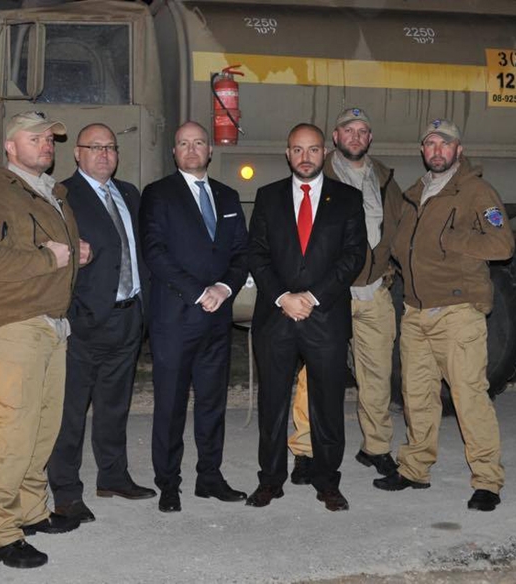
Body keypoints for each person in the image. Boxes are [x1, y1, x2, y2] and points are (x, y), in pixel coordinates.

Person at [0, 111, 92, 568]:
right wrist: (46, 256)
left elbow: (57, 253)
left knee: (42, 429)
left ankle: (31, 511)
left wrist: (77, 253)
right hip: (18, 325)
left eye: (50, 139)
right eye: (35, 138)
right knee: (13, 433)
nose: (46, 145)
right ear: (10, 146)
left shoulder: (50, 193)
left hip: (52, 324)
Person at [374, 119, 514, 513]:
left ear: (458, 150)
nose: (437, 150)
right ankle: (414, 469)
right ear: (423, 151)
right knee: (416, 397)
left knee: (469, 396)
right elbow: (403, 247)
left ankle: (487, 480)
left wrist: (448, 239)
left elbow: (502, 244)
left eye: (445, 144)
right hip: (416, 312)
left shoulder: (475, 190)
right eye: (430, 144)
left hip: (457, 311)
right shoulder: (415, 194)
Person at [246, 123, 366, 512]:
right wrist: (283, 297)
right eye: (297, 150)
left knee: (328, 405)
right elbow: (257, 254)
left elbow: (353, 257)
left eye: (313, 150)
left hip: (324, 317)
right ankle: (270, 480)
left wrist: (312, 297)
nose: (305, 157)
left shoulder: (347, 198)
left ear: (323, 152)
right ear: (287, 153)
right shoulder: (267, 197)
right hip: (277, 318)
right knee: (273, 404)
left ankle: (328, 482)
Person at [288, 108, 403, 486]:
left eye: (362, 131)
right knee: (313, 376)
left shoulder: (384, 179)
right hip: (329, 294)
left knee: (376, 375)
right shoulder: (319, 174)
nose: (355, 137)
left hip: (374, 292)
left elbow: (400, 232)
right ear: (334, 138)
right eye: (348, 131)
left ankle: (376, 447)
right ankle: (304, 452)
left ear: (369, 138)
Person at [47, 124, 155, 523]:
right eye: (95, 147)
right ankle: (66, 491)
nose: (104, 154)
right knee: (70, 411)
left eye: (110, 147)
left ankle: (112, 476)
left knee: (114, 405)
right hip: (84, 320)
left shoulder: (129, 194)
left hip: (128, 317)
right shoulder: (62, 196)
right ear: (77, 153)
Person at [140, 121, 249, 513]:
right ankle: (169, 482)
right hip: (175, 318)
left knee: (212, 403)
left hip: (217, 319)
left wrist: (225, 288)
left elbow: (241, 254)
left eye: (198, 143)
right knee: (169, 405)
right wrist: (198, 290)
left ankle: (210, 477)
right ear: (174, 152)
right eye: (183, 143)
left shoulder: (228, 195)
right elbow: (155, 252)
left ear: (209, 150)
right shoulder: (158, 194)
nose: (191, 149)